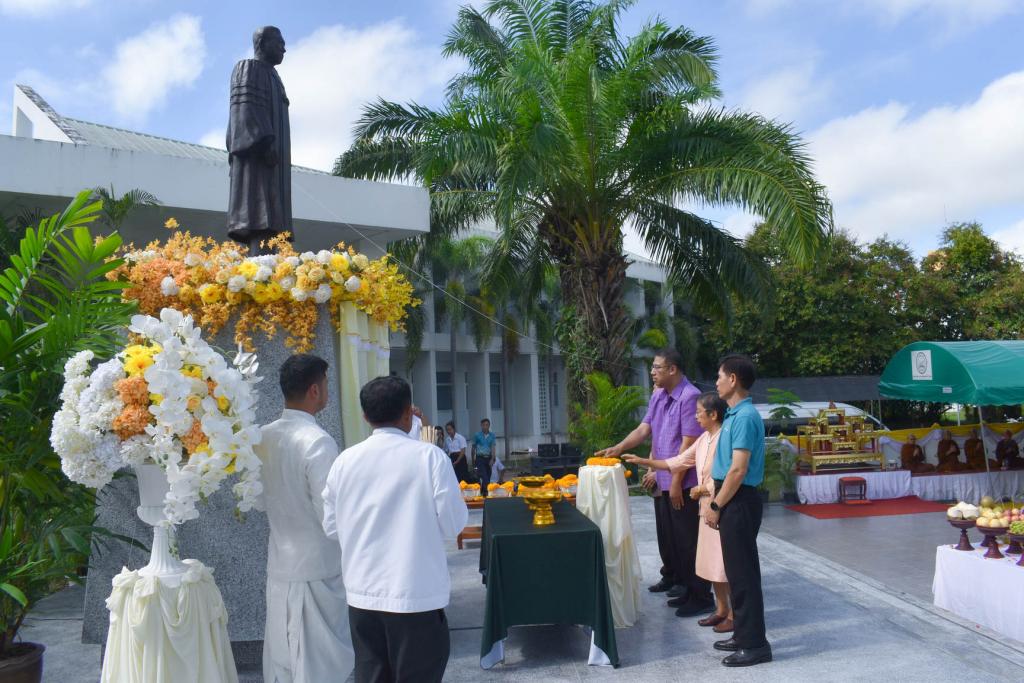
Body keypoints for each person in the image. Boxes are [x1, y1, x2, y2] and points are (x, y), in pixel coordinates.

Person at [322, 376, 467, 683]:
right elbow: (453, 524)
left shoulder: (344, 461)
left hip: (363, 596)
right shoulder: (430, 457)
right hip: (415, 593)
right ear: (407, 413)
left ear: (365, 416)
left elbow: (332, 527)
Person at [254, 354, 354, 683]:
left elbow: (257, 500)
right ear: (314, 390)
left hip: (280, 563)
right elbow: (330, 516)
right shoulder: (318, 441)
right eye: (326, 384)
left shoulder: (263, 436)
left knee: (284, 660)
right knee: (318, 666)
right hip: (319, 567)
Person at [595, 348, 710, 616]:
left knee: (688, 540)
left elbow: (687, 444)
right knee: (670, 537)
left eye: (657, 367)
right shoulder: (659, 394)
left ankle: (701, 595)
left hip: (682, 481)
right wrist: (619, 447)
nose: (652, 372)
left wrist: (676, 481)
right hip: (662, 476)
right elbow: (644, 429)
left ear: (672, 369)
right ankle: (683, 585)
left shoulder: (689, 396)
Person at [624, 392, 733, 633]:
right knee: (709, 561)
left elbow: (728, 475)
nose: (696, 417)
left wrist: (702, 488)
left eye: (699, 413)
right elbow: (678, 461)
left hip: (718, 506)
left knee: (723, 564)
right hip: (704, 507)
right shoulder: (704, 439)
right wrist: (645, 462)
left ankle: (732, 614)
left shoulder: (724, 439)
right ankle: (721, 609)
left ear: (713, 415)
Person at [704, 354, 771, 667]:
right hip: (733, 497)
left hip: (738, 500)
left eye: (719, 376)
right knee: (736, 572)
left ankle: (755, 645)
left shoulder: (744, 417)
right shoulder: (733, 414)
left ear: (733, 379)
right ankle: (743, 636)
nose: (716, 382)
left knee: (743, 576)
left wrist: (716, 504)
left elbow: (738, 469)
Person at [472, 418, 498, 496]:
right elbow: (473, 448)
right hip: (480, 458)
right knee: (484, 476)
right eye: (483, 425)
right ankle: (487, 492)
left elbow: (493, 447)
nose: (485, 427)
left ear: (489, 426)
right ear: (481, 426)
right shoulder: (477, 435)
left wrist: (492, 458)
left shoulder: (492, 435)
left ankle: (483, 492)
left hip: (488, 458)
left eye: (487, 425)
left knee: (488, 475)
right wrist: (473, 460)